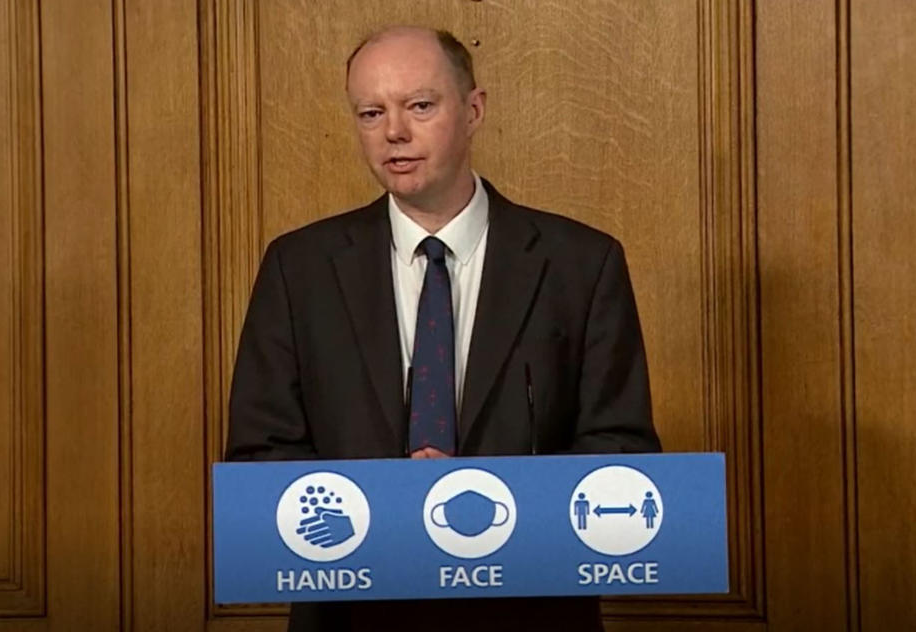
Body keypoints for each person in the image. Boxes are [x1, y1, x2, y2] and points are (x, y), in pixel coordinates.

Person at [226, 25, 661, 632]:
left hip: (529, 613)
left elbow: (622, 449)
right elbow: (259, 454)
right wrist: (387, 506)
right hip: (352, 613)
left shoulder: (581, 264)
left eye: (420, 106)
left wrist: (480, 501)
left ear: (474, 110)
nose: (394, 132)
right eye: (371, 112)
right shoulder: (298, 268)